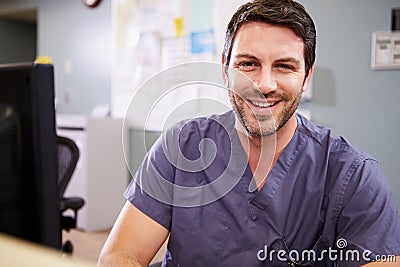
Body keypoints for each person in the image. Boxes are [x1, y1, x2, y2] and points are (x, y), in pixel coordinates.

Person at [98, 0, 400, 266]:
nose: (264, 84)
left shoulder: (354, 176)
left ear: (306, 76)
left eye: (284, 66)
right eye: (248, 64)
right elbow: (120, 256)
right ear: (224, 70)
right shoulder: (182, 147)